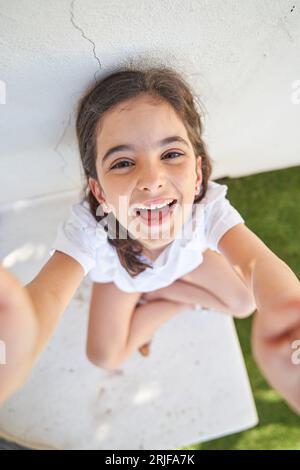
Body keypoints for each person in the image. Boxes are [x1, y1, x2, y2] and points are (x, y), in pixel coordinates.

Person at [0, 64, 299, 414]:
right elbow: (50, 293)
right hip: (125, 281)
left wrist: (290, 314)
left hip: (186, 267)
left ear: (198, 172)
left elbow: (256, 263)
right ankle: (165, 297)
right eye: (123, 163)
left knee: (245, 303)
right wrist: (20, 342)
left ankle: (157, 294)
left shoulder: (207, 209)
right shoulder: (93, 225)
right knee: (103, 356)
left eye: (171, 154)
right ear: (99, 191)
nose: (152, 179)